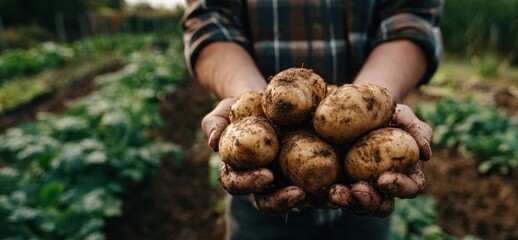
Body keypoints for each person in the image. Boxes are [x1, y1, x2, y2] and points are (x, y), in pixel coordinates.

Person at [183, 0, 442, 239]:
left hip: (365, 197)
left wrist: (380, 106)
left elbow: (411, 18)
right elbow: (210, 20)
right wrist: (249, 99)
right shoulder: (269, 118)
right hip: (262, 191)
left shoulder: (330, 114)